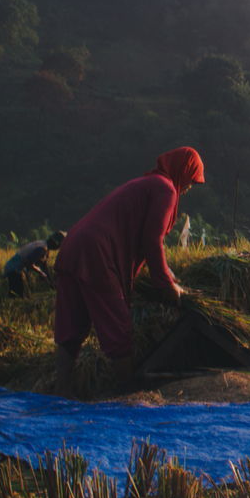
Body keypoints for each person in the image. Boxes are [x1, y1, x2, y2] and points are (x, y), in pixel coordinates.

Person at [52, 147, 205, 396]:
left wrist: (167, 272)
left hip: (74, 245)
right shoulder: (165, 189)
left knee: (72, 326)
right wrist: (166, 284)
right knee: (117, 325)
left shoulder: (148, 184)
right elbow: (152, 241)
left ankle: (62, 390)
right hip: (97, 253)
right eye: (191, 179)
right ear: (182, 171)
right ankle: (130, 394)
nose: (188, 187)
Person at [3, 231, 66, 297]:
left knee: (22, 293)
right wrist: (40, 272)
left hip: (17, 269)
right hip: (14, 268)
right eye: (59, 245)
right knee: (17, 294)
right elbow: (28, 263)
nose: (58, 248)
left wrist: (51, 283)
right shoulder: (42, 248)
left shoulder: (45, 247)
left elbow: (44, 267)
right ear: (56, 243)